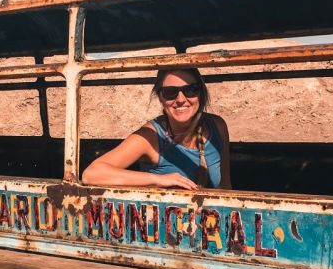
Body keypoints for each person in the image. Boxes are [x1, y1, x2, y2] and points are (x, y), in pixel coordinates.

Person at [82, 68, 232, 190]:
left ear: (201, 93)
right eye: (170, 93)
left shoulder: (217, 126)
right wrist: (158, 180)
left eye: (190, 90)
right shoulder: (150, 136)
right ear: (160, 97)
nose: (180, 99)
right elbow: (92, 174)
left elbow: (226, 186)